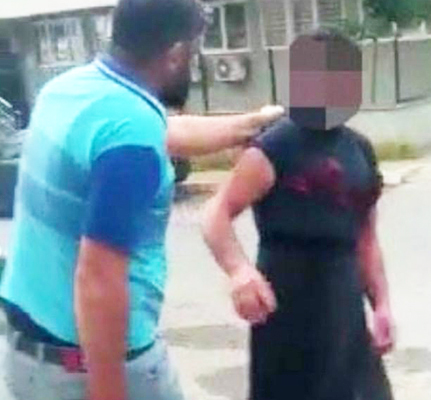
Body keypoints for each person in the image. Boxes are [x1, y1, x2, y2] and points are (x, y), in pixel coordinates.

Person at [0, 0, 283, 399]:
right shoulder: (132, 136)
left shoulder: (69, 90)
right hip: (88, 370)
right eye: (194, 51)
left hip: (28, 355)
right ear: (176, 53)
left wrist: (252, 125)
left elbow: (164, 130)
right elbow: (98, 279)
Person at [203, 30, 395, 400]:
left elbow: (366, 237)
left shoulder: (359, 149)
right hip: (289, 317)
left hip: (345, 314)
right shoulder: (276, 146)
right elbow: (216, 213)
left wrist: (382, 305)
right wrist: (239, 270)